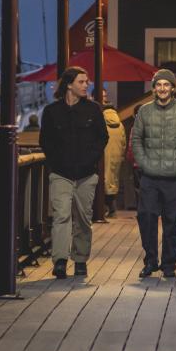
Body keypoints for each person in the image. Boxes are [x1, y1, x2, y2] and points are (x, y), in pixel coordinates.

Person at [39, 66, 108, 278]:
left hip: (87, 174)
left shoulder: (94, 109)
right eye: (81, 81)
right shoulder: (52, 112)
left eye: (86, 81)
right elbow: (45, 141)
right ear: (69, 84)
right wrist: (56, 161)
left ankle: (80, 259)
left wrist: (91, 160)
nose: (86, 85)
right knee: (61, 216)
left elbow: (102, 138)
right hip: (60, 173)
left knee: (83, 218)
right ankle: (59, 260)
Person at [132, 69, 176, 279]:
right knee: (147, 219)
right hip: (149, 176)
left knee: (172, 221)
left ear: (172, 88)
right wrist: (144, 163)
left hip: (174, 177)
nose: (162, 88)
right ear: (154, 88)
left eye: (166, 85)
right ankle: (150, 261)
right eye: (158, 85)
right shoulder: (144, 111)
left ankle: (169, 264)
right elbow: (136, 140)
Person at [102, 103, 126, 217]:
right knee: (113, 181)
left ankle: (105, 210)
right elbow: (123, 142)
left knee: (103, 181)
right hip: (117, 157)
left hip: (104, 156)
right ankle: (113, 210)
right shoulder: (120, 124)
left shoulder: (101, 122)